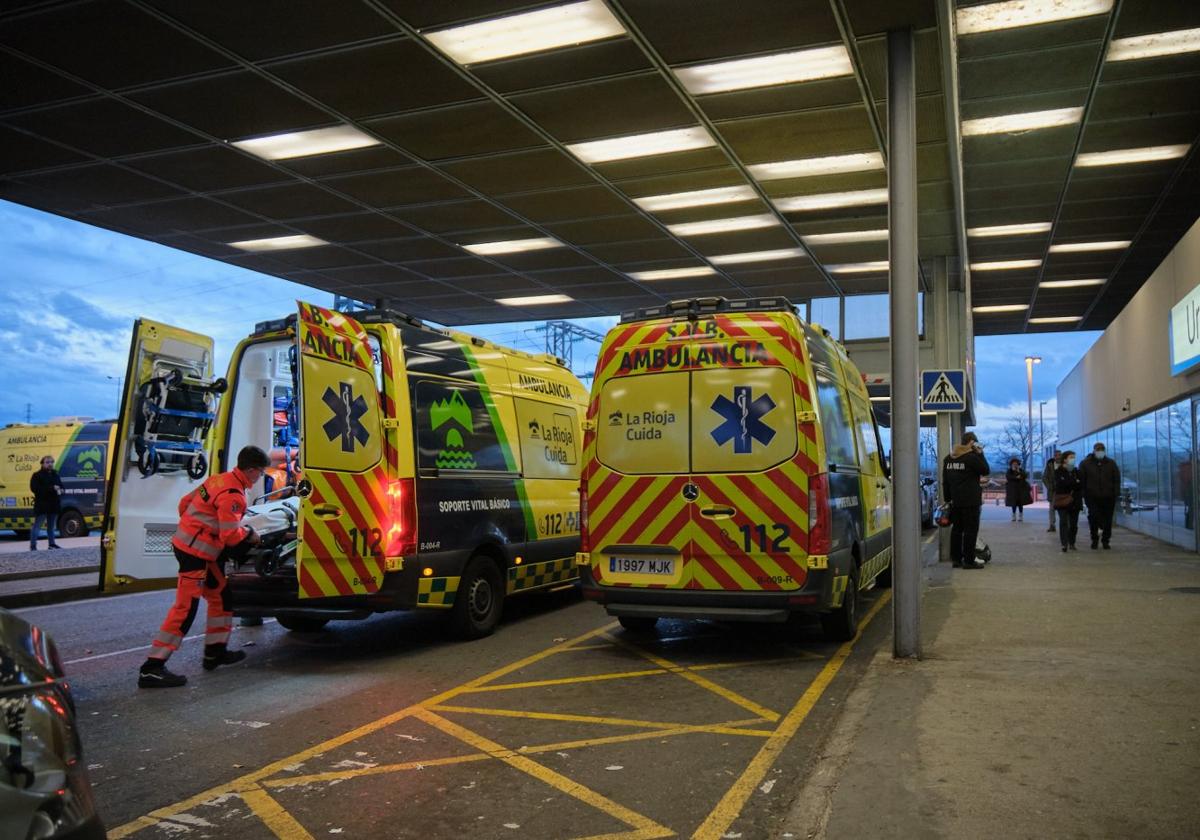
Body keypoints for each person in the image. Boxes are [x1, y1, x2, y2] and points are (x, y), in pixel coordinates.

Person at [137, 446, 270, 688]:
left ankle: (215, 652)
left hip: (194, 549)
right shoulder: (234, 494)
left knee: (221, 597)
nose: (260, 477)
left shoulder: (219, 479)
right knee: (185, 608)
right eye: (260, 473)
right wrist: (251, 534)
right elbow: (231, 536)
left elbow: (184, 503)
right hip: (195, 555)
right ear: (250, 470)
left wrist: (197, 528)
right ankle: (152, 667)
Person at [942, 431, 990, 569]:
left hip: (955, 501)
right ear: (971, 443)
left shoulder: (948, 459)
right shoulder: (972, 458)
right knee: (970, 531)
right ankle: (969, 560)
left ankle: (956, 559)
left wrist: (948, 499)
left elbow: (945, 481)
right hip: (971, 501)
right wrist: (980, 453)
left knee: (957, 530)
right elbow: (985, 470)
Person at [1079, 442, 1120, 550]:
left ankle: (1106, 540)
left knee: (1107, 520)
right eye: (1098, 449)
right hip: (1092, 497)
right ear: (1094, 450)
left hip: (1108, 497)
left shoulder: (1111, 463)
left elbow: (1116, 479)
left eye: (1102, 449)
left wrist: (1115, 493)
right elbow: (1082, 481)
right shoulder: (1085, 464)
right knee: (1093, 518)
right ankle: (1094, 539)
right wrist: (1084, 494)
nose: (1100, 451)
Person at [28, 455, 64, 550]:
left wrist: (62, 489)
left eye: (51, 462)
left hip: (54, 504)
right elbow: (35, 488)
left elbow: (61, 485)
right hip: (42, 505)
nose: (50, 464)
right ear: (42, 464)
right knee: (37, 526)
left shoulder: (55, 474)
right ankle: (33, 546)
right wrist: (51, 488)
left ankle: (52, 544)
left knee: (51, 527)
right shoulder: (37, 475)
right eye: (47, 462)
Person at [1053, 450, 1083, 552]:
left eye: (1074, 457)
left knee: (1074, 524)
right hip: (1063, 501)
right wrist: (1074, 482)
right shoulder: (1058, 472)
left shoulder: (1076, 472)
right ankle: (1064, 543)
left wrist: (1072, 482)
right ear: (1065, 459)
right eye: (1071, 457)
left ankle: (1072, 542)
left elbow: (1080, 485)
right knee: (1063, 522)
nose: (1073, 459)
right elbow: (1061, 485)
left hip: (1075, 501)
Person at [1043, 450, 1060, 532]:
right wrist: (1049, 486)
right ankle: (1052, 525)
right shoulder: (1050, 465)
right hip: (1053, 491)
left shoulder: (1065, 464)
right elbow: (1044, 477)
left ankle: (1066, 525)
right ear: (1054, 456)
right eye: (1056, 455)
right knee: (1052, 509)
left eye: (1059, 455)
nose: (1058, 457)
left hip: (1063, 490)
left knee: (1063, 508)